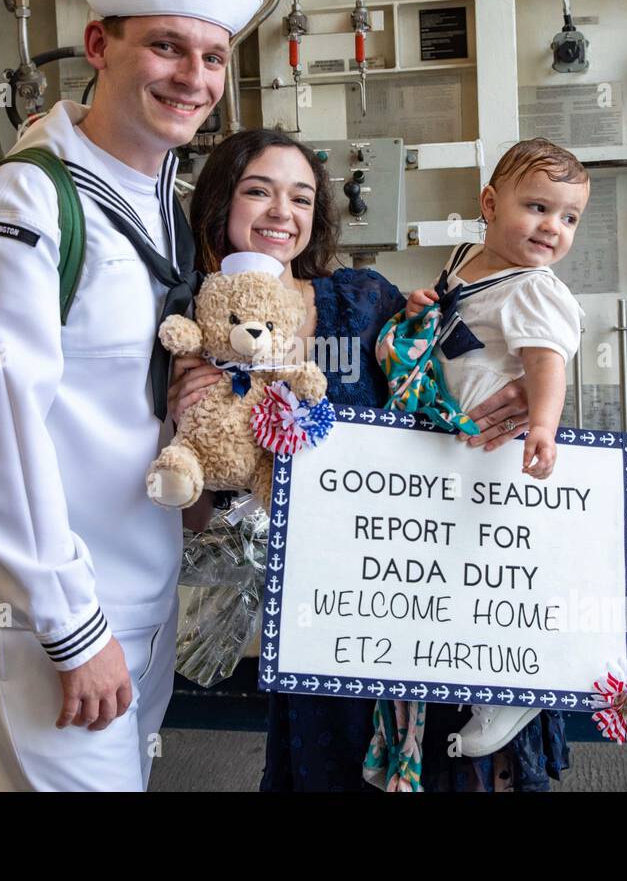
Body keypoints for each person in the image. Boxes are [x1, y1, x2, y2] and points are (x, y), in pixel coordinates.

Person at [0, 0, 261, 791]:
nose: (194, 77)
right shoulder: (19, 210)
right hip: (44, 604)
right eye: (168, 47)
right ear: (99, 45)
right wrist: (70, 628)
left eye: (213, 58)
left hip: (138, 584)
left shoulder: (157, 202)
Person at [179, 127, 549, 791]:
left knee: (437, 758)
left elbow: (449, 361)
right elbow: (195, 517)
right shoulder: (197, 328)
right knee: (330, 766)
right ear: (219, 206)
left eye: (299, 197)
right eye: (257, 191)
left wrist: (513, 389)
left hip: (406, 575)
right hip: (313, 605)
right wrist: (186, 421)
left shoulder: (362, 298)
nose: (279, 213)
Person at [399, 136, 589, 766]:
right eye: (537, 207)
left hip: (498, 447)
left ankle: (514, 690)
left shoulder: (534, 288)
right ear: (489, 202)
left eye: (568, 218)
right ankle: (466, 669)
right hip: (456, 439)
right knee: (464, 571)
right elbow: (447, 323)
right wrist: (421, 305)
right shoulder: (464, 260)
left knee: (498, 575)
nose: (552, 228)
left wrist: (542, 424)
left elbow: (546, 362)